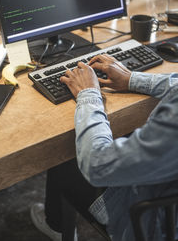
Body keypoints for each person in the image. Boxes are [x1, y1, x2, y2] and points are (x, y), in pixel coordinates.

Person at [31, 54, 178, 241]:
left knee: (63, 159)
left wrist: (88, 93)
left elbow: (97, 164)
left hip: (151, 224)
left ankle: (57, 227)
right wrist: (131, 79)